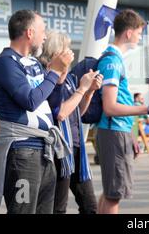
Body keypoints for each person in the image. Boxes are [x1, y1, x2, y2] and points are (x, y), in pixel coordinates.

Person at [0, 9, 73, 213]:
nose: (45, 37)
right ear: (29, 33)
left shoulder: (34, 63)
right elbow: (30, 100)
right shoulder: (5, 63)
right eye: (42, 31)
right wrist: (53, 72)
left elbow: (49, 105)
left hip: (44, 151)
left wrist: (59, 80)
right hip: (22, 153)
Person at [96, 9, 149, 214]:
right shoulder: (112, 61)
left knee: (110, 192)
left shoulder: (113, 59)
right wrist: (148, 109)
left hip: (115, 131)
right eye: (139, 33)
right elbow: (110, 107)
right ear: (129, 33)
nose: (140, 38)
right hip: (114, 132)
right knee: (114, 195)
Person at [39, 30, 103, 214]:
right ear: (55, 52)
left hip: (76, 148)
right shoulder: (47, 77)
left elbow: (77, 113)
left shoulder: (69, 78)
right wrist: (82, 89)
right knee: (58, 208)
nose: (70, 52)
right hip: (60, 151)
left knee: (90, 206)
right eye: (65, 48)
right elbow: (60, 114)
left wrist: (89, 90)